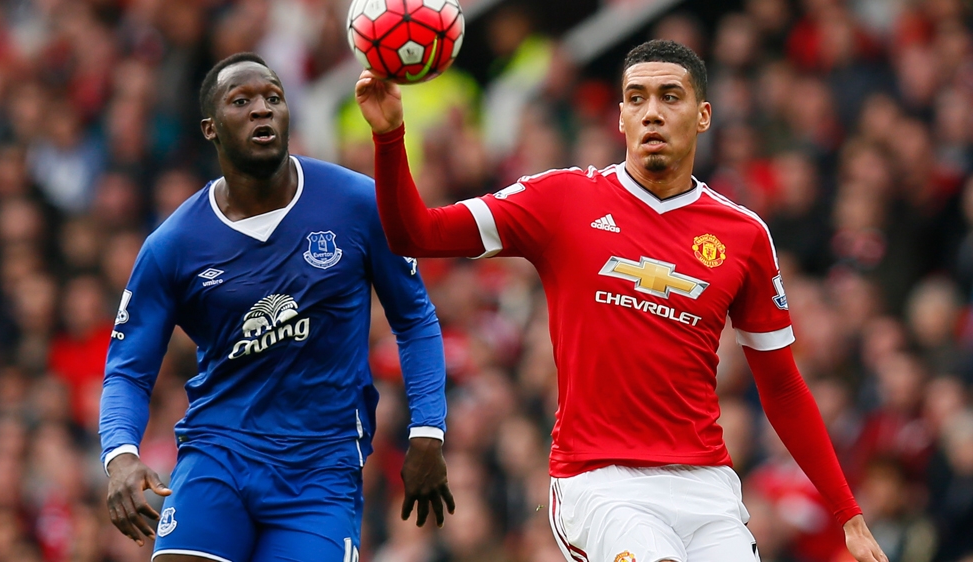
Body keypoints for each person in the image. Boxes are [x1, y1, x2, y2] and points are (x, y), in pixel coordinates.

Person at [355, 40, 887, 562]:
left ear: (703, 116)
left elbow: (783, 387)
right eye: (636, 98)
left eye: (669, 96)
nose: (651, 112)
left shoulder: (743, 235)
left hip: (708, 488)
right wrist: (389, 137)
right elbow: (416, 234)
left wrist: (849, 516)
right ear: (620, 118)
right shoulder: (561, 200)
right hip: (601, 483)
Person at [100, 52, 454, 562]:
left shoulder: (356, 204)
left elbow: (415, 319)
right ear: (210, 129)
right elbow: (127, 372)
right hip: (218, 453)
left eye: (273, 98)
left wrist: (427, 430)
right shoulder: (172, 244)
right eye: (240, 101)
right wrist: (120, 457)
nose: (261, 110)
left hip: (321, 469)